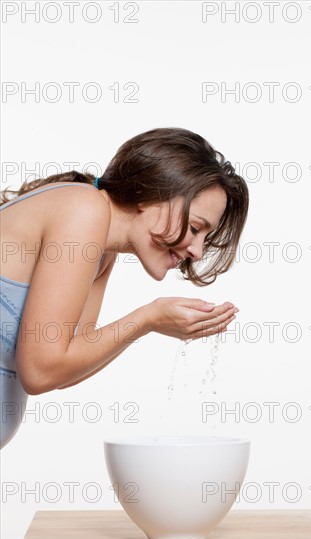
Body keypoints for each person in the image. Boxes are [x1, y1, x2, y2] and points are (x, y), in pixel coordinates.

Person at [0, 127, 249, 449]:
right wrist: (146, 319)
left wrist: (147, 323)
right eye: (194, 227)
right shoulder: (83, 209)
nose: (198, 252)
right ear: (150, 196)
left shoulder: (103, 250)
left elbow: (65, 371)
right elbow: (41, 372)